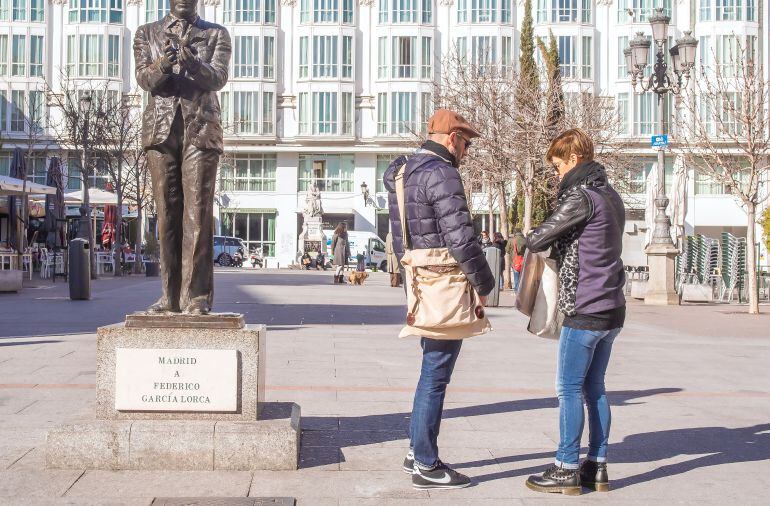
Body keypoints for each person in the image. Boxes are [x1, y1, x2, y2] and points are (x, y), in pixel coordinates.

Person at [384, 108, 495, 490]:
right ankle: (427, 463)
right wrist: (485, 281)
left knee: (431, 369)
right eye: (465, 143)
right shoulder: (442, 173)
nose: (466, 151)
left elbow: (401, 237)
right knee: (436, 373)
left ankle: (417, 451)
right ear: (451, 138)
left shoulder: (403, 173)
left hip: (419, 283)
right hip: (445, 284)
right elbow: (460, 236)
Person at [524, 129, 626, 496]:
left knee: (568, 388)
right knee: (594, 388)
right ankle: (596, 466)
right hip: (613, 308)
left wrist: (522, 237)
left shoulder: (581, 196)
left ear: (572, 159)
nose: (556, 174)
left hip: (585, 306)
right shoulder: (611, 195)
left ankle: (566, 466)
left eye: (556, 166)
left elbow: (539, 238)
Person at [134, 0, 231, 314]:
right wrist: (164, 64)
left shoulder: (217, 34)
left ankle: (197, 297)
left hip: (200, 131)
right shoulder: (146, 33)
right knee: (167, 215)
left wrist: (193, 65)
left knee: (198, 214)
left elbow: (217, 79)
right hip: (161, 132)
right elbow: (144, 80)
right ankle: (169, 297)